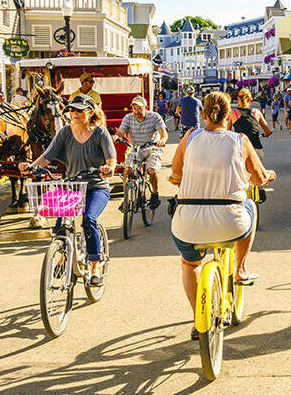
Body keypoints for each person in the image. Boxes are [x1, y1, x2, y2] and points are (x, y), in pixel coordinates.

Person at [169, 92, 276, 340]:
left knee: (190, 264)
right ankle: (239, 268)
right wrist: (268, 175)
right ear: (229, 116)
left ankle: (199, 318)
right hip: (231, 222)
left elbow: (175, 175)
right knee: (250, 204)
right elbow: (259, 179)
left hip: (188, 224)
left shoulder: (189, 137)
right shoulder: (241, 141)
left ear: (203, 115)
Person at [21, 95, 116, 286]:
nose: (74, 113)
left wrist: (108, 168)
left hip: (96, 186)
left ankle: (94, 267)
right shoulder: (65, 132)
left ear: (90, 112)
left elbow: (111, 158)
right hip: (71, 185)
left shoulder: (100, 133)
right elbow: (47, 156)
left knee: (89, 219)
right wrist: (30, 167)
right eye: (72, 110)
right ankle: (64, 256)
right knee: (60, 225)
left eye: (79, 110)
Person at [115, 96, 168, 209]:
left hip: (153, 147)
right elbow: (121, 131)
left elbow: (164, 133)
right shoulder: (128, 118)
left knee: (151, 171)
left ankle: (154, 194)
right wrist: (117, 136)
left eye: (139, 109)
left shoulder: (154, 117)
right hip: (136, 148)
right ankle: (126, 198)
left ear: (146, 108)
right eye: (134, 109)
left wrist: (162, 140)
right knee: (127, 170)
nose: (137, 111)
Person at [231, 88, 272, 160]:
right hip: (256, 150)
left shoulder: (233, 113)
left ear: (238, 98)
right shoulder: (256, 112)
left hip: (241, 150)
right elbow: (267, 131)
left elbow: (227, 131)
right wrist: (265, 134)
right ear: (250, 100)